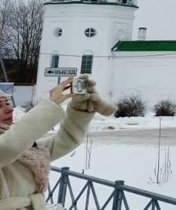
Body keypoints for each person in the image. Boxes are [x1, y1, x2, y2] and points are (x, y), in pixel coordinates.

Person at [0, 75, 115, 209]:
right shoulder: (12, 142)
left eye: (7, 103)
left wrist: (80, 109)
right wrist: (51, 104)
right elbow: (9, 146)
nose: (10, 109)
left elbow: (65, 140)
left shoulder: (20, 142)